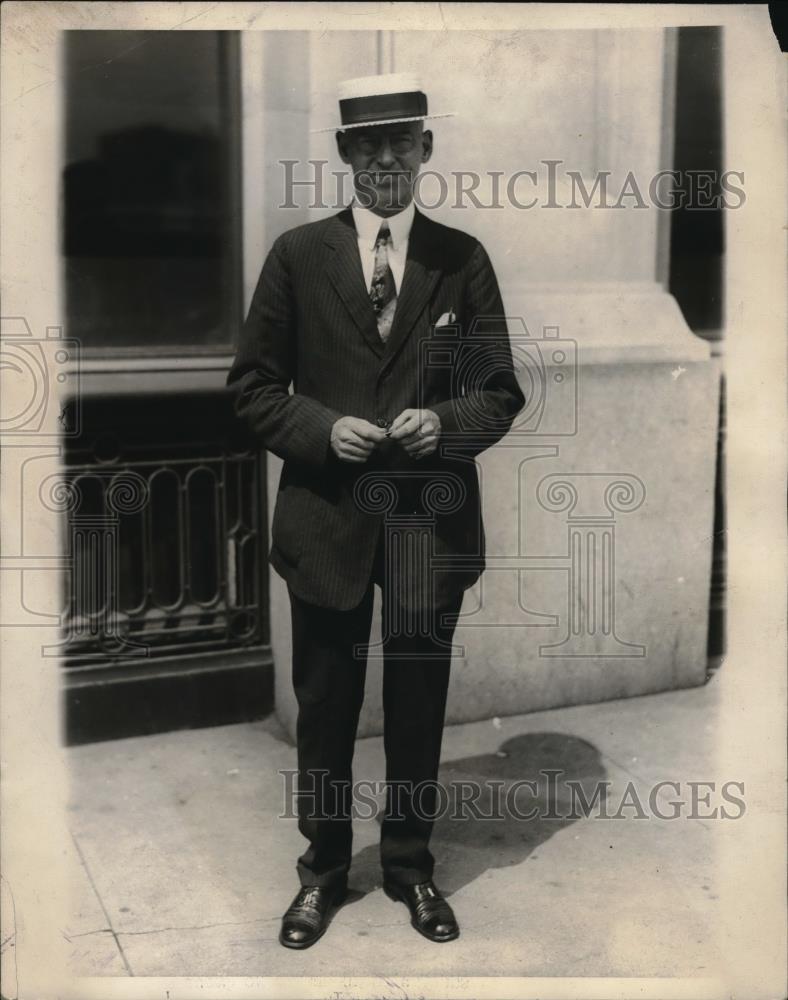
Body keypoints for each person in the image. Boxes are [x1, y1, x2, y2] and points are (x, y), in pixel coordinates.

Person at [227, 72, 524, 949]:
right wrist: (322, 428)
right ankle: (321, 874)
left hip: (428, 527)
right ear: (345, 156)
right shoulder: (297, 256)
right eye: (367, 146)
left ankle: (411, 870)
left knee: (419, 703)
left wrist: (445, 422)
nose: (384, 159)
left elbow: (499, 392)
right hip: (326, 524)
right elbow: (250, 389)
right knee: (324, 710)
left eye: (402, 142)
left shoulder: (460, 259)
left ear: (426, 150)